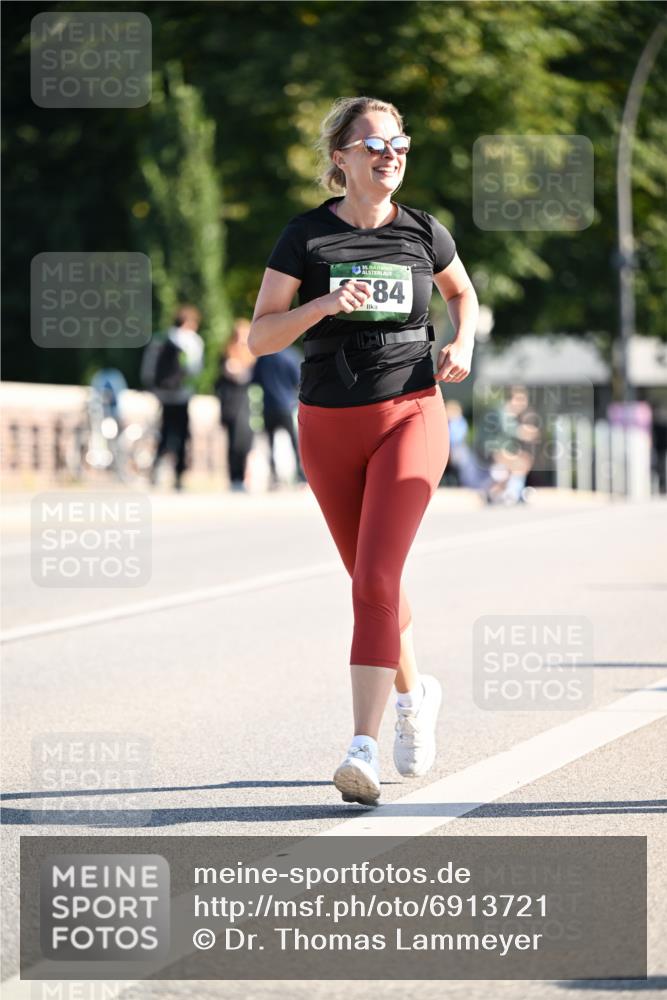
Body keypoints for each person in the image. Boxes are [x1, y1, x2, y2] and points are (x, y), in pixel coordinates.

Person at [249, 96, 478, 806]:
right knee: (370, 582)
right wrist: (321, 305)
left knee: (375, 578)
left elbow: (463, 295)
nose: (390, 156)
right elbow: (260, 336)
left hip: (411, 412)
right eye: (374, 145)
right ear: (341, 158)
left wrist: (463, 342)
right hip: (327, 422)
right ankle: (415, 693)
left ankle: (361, 747)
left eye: (399, 144)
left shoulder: (424, 231)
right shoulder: (305, 237)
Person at [141, 305, 204, 491]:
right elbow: (195, 369)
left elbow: (148, 368)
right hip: (182, 394)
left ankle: (157, 469)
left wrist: (153, 387)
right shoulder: (192, 341)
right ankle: (178, 475)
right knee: (182, 434)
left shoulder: (161, 338)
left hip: (163, 393)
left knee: (164, 431)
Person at [251, 343, 307, 488]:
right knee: (295, 443)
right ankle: (301, 476)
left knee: (270, 443)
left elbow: (255, 379)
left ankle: (274, 476)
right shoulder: (292, 355)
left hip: (269, 405)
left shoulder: (264, 357)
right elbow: (299, 379)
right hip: (287, 405)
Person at [214, 318, 256, 492]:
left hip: (246, 401)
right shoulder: (227, 352)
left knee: (245, 440)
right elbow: (227, 374)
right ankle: (234, 477)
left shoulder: (253, 353)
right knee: (233, 440)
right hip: (231, 401)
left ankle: (244, 476)